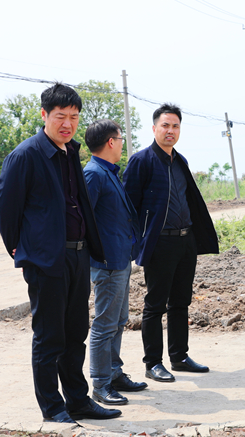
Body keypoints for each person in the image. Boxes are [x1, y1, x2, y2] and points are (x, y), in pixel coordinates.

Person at [0, 83, 121, 423]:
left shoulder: (70, 152)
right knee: (50, 337)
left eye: (74, 117)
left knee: (75, 333)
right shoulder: (25, 155)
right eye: (60, 116)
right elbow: (6, 208)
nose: (67, 124)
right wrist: (20, 248)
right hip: (46, 260)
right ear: (44, 115)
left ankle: (78, 401)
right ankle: (52, 408)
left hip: (77, 256)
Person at [123, 103, 218, 382]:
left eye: (175, 126)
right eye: (165, 125)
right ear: (154, 128)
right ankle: (153, 363)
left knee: (180, 302)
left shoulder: (180, 161)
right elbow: (129, 207)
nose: (170, 130)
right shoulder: (141, 161)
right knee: (155, 305)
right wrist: (137, 243)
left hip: (185, 242)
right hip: (159, 244)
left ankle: (179, 357)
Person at [83, 119, 148, 406]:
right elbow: (84, 220)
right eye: (121, 139)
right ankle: (100, 384)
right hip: (107, 262)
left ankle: (114, 373)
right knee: (105, 325)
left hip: (120, 258)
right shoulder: (93, 174)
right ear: (111, 142)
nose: (122, 144)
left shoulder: (108, 171)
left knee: (119, 321)